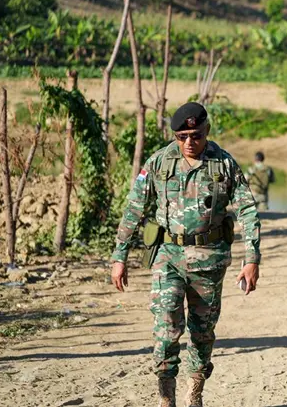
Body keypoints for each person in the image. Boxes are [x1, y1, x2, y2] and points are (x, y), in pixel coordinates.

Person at [109, 102, 261, 407]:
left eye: (195, 135)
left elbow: (247, 209)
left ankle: (195, 394)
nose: (189, 142)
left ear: (206, 130)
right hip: (168, 257)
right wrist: (119, 256)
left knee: (202, 334)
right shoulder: (159, 163)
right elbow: (134, 209)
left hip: (209, 259)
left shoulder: (224, 164)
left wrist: (251, 258)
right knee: (166, 328)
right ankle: (167, 399)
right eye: (181, 136)